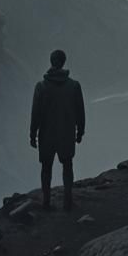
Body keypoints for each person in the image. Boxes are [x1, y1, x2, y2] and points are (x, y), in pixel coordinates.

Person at [30, 49, 86, 211]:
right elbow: (80, 111)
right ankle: (68, 201)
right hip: (66, 134)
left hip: (46, 134)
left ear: (51, 62)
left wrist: (32, 134)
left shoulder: (41, 86)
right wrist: (80, 131)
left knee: (46, 168)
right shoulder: (74, 86)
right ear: (63, 62)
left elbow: (36, 114)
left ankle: (46, 202)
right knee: (67, 165)